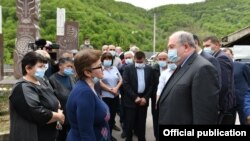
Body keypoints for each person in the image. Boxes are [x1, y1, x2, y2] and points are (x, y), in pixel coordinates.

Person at [158, 31, 220, 125]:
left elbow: (204, 116)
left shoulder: (202, 68)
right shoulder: (182, 65)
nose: (169, 51)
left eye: (171, 47)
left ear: (186, 47)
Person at [9, 51, 65, 141]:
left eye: (44, 66)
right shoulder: (23, 87)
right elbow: (36, 112)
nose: (44, 69)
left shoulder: (43, 80)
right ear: (28, 68)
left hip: (50, 134)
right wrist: (57, 116)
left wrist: (56, 105)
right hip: (33, 135)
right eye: (40, 67)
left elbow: (53, 97)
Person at [66, 49, 110, 141]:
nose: (103, 68)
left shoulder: (91, 86)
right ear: (87, 72)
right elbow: (86, 133)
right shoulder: (85, 93)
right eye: (99, 66)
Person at [203, 36, 236, 124]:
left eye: (208, 45)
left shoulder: (221, 58)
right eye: (204, 46)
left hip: (223, 107)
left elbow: (224, 84)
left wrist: (216, 106)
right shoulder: (216, 57)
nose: (206, 48)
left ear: (217, 45)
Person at [122, 51, 154, 141]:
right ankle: (128, 139)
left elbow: (151, 85)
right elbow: (126, 84)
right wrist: (135, 97)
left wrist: (145, 98)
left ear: (144, 59)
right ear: (134, 59)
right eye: (137, 62)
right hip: (131, 100)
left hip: (143, 101)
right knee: (129, 124)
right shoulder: (128, 68)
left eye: (141, 62)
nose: (139, 63)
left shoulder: (149, 69)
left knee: (141, 124)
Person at [49, 57, 76, 140]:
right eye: (68, 66)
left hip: (73, 112)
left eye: (72, 67)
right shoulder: (52, 79)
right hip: (61, 113)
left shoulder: (71, 77)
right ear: (60, 66)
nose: (70, 68)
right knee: (61, 136)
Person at [100, 52, 123, 141]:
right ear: (102, 60)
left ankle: (110, 134)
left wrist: (116, 88)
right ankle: (105, 136)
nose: (108, 61)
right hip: (105, 97)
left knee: (112, 116)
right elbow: (99, 82)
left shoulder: (115, 68)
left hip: (115, 96)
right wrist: (110, 89)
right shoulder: (101, 69)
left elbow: (120, 80)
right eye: (106, 59)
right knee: (105, 118)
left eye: (109, 59)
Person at [223, 48, 250, 124]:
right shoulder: (222, 67)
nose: (226, 57)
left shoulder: (242, 66)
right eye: (224, 55)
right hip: (229, 102)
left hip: (242, 101)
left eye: (228, 55)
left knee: (244, 122)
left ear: (232, 55)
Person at [151, 51, 169, 141]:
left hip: (169, 99)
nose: (162, 61)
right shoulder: (153, 69)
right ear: (157, 60)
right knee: (156, 118)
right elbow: (150, 85)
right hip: (156, 99)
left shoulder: (173, 69)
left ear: (168, 59)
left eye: (164, 59)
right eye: (160, 59)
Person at [118, 51, 134, 139]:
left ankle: (134, 130)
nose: (128, 59)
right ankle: (125, 130)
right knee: (124, 113)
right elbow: (119, 80)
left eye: (129, 57)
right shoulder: (121, 67)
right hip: (124, 94)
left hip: (135, 94)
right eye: (126, 57)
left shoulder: (137, 66)